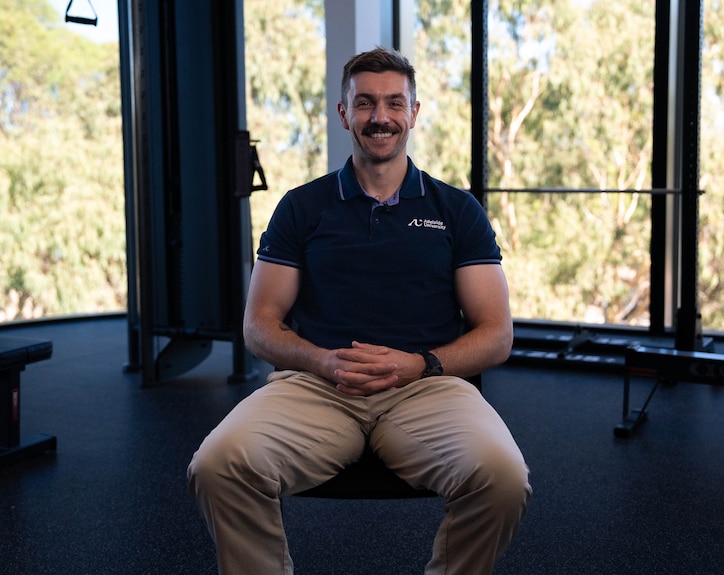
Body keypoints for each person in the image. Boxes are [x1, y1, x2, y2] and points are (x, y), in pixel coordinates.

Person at [187, 46, 531, 575]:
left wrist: (419, 364)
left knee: (504, 478)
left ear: (413, 113)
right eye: (365, 103)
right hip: (319, 387)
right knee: (217, 465)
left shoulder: (456, 210)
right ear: (344, 112)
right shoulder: (302, 207)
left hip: (427, 386)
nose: (380, 117)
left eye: (395, 103)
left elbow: (496, 334)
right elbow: (259, 327)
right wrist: (324, 362)